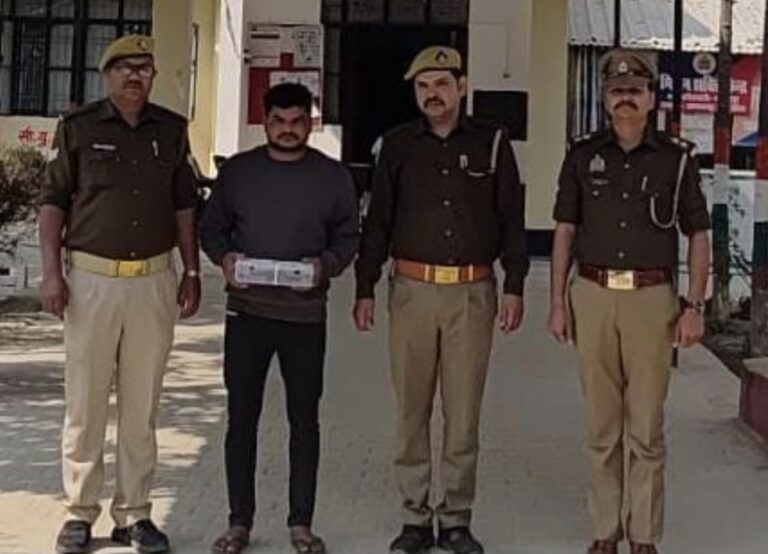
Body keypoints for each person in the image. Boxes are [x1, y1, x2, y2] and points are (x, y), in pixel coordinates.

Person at [353, 46, 529, 554]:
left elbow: (512, 219)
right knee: (411, 411)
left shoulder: (492, 143)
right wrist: (364, 287)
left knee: (463, 413)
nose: (433, 94)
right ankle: (414, 517)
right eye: (423, 86)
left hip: (472, 294)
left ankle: (455, 517)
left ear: (462, 87)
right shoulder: (396, 145)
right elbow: (378, 222)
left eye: (442, 84)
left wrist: (515, 284)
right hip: (411, 292)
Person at [40, 35, 201, 554]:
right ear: (106, 74)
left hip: (153, 281)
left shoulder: (171, 130)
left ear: (153, 75)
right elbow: (52, 203)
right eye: (124, 67)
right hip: (91, 282)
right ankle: (79, 511)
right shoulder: (79, 127)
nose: (135, 76)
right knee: (85, 400)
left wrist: (192, 270)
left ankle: (135, 513)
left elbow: (184, 205)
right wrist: (51, 274)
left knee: (141, 404)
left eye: (144, 68)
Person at [548, 49, 711, 554]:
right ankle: (605, 531)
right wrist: (557, 302)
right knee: (602, 425)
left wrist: (695, 306)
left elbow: (698, 234)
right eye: (617, 91)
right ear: (604, 98)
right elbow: (565, 230)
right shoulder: (581, 155)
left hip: (651, 301)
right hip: (593, 295)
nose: (626, 99)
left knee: (646, 425)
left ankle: (643, 535)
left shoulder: (676, 159)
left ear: (651, 98)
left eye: (635, 91)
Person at [200, 83, 359, 554]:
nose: (288, 130)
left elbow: (349, 236)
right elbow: (212, 228)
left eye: (297, 122)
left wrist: (325, 266)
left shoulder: (332, 177)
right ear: (265, 121)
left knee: (303, 421)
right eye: (278, 121)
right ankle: (238, 523)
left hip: (304, 317)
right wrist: (225, 258)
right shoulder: (238, 172)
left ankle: (301, 524)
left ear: (311, 122)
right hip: (247, 314)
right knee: (241, 419)